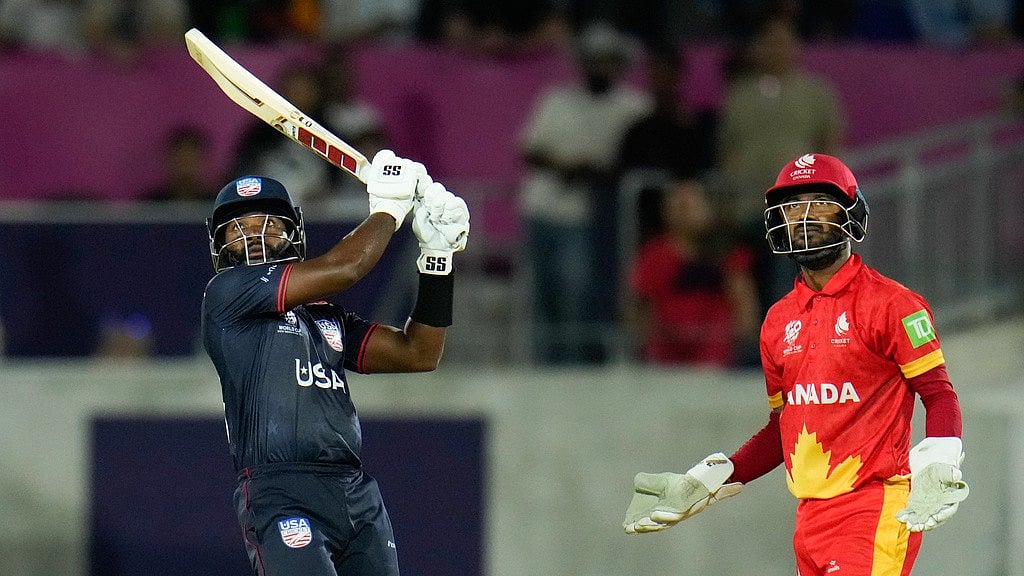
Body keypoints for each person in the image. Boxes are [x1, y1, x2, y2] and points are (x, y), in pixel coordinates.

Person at [623, 153, 969, 575]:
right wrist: (710, 479)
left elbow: (939, 395)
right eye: (792, 206)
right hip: (808, 517)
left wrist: (939, 464)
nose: (804, 217)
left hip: (872, 508)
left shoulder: (894, 305)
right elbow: (782, 430)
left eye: (818, 202)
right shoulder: (777, 322)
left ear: (850, 213)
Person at [201, 149, 469, 576]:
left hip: (356, 493)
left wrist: (437, 261)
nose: (253, 236)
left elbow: (420, 353)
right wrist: (389, 209)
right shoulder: (225, 295)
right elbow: (347, 267)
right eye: (238, 228)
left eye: (267, 225)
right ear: (219, 243)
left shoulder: (326, 316)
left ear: (293, 233)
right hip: (280, 491)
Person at [518, 21, 651, 364]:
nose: (599, 66)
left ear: (619, 64)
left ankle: (575, 371)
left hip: (588, 218)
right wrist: (565, 165)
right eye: (593, 59)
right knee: (541, 301)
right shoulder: (557, 100)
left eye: (607, 60)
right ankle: (544, 371)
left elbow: (633, 160)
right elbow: (529, 148)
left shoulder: (633, 107)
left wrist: (592, 171)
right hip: (541, 209)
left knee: (579, 302)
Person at [714, 13, 845, 315]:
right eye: (769, 42)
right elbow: (727, 153)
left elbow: (830, 148)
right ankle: (754, 352)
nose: (775, 49)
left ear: (796, 47)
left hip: (797, 212)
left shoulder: (817, 94)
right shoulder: (738, 97)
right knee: (745, 284)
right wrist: (725, 206)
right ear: (757, 47)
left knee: (787, 284)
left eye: (782, 42)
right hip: (747, 208)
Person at [626, 178, 759, 367]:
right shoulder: (653, 255)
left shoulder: (727, 252)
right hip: (664, 359)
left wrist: (745, 344)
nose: (686, 212)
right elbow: (639, 308)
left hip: (716, 360)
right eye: (680, 205)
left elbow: (744, 304)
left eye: (691, 204)